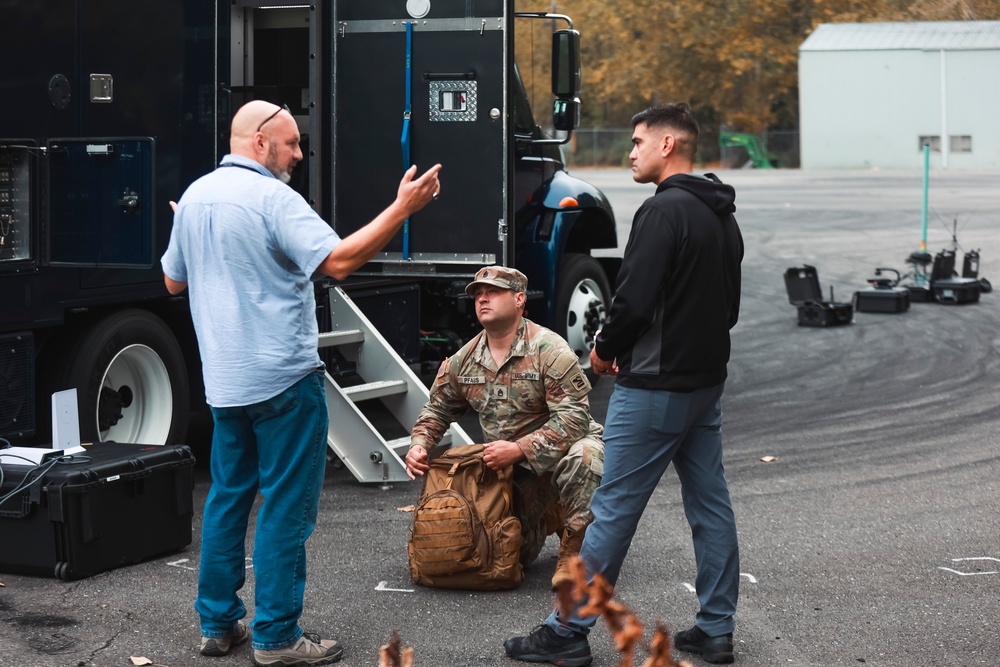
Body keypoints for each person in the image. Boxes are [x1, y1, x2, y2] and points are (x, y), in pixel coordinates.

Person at [161, 100, 441, 666]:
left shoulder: (193, 197)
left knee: (226, 500)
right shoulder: (273, 198)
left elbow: (172, 282)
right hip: (284, 379)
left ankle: (217, 625)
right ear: (261, 143)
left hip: (225, 384)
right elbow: (339, 261)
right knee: (286, 508)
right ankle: (278, 638)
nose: (298, 154)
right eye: (291, 144)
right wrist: (401, 208)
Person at [504, 102, 744, 666]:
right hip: (703, 384)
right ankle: (715, 630)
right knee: (711, 507)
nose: (630, 151)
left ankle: (565, 634)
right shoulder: (721, 213)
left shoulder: (663, 212)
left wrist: (605, 349)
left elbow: (633, 299)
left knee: (611, 509)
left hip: (656, 386)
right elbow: (728, 306)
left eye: (638, 142)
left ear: (668, 145)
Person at [404, 265, 605, 590]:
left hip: (556, 459)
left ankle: (574, 556)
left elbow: (574, 419)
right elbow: (438, 408)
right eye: (478, 294)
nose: (483, 299)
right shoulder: (464, 360)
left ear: (519, 299)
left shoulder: (549, 350)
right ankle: (549, 517)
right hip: (510, 476)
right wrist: (420, 444)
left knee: (587, 455)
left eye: (493, 292)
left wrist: (519, 448)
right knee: (507, 557)